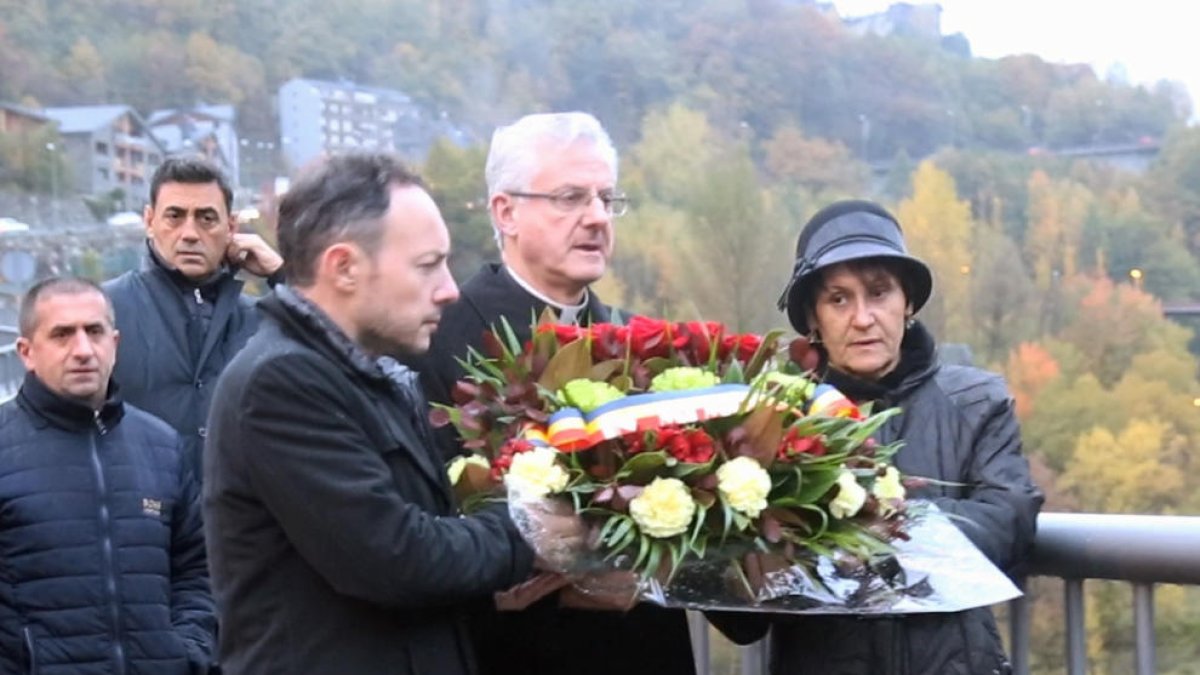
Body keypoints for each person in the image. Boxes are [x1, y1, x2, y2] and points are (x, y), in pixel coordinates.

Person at [203, 152, 560, 675]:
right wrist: (535, 529)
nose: (449, 289)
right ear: (344, 267)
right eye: (426, 265)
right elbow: (398, 557)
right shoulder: (281, 383)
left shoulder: (367, 375)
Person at [411, 112, 696, 675]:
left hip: (647, 649)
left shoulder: (642, 344)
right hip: (515, 653)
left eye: (606, 198)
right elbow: (424, 537)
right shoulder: (439, 340)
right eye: (569, 197)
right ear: (506, 211)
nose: (596, 217)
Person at [712, 200, 1043, 674]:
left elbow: (1008, 524)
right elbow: (743, 623)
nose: (863, 318)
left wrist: (881, 527)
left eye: (879, 293)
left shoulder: (975, 402)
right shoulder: (771, 421)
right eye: (839, 299)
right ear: (813, 319)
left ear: (907, 303)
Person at [0, 277, 215, 674]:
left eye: (94, 332)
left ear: (114, 344)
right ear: (27, 352)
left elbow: (195, 570)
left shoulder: (161, 445)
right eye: (62, 335)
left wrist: (189, 652)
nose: (82, 350)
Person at [103, 156, 283, 479]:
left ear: (231, 228)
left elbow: (340, 354)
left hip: (239, 519)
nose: (189, 233)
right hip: (141, 518)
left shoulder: (260, 319)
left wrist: (283, 275)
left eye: (206, 218)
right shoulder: (106, 311)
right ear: (149, 220)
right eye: (174, 216)